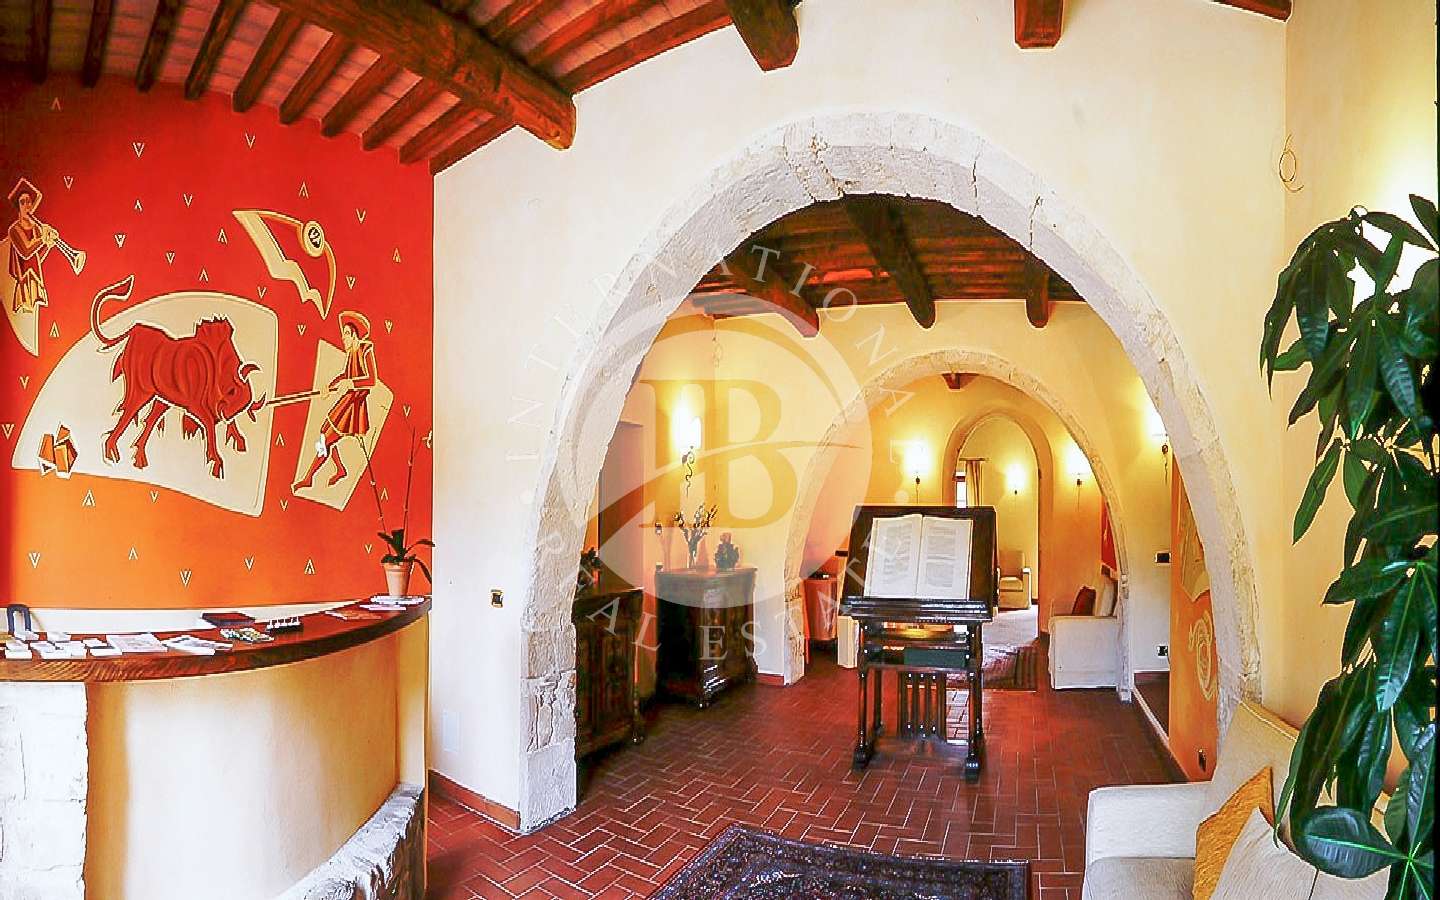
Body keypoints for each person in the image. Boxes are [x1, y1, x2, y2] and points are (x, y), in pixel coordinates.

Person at [294, 310, 379, 490]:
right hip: (348, 400)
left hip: (355, 404)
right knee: (323, 432)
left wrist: (351, 383)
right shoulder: (351, 354)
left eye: (346, 334)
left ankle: (309, 477)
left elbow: (372, 380)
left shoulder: (365, 350)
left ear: (355, 335)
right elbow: (345, 375)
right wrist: (329, 386)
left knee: (325, 439)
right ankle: (340, 469)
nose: (343, 338)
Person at [7, 178, 57, 313]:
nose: (27, 205)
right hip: (24, 281)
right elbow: (26, 251)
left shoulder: (35, 228)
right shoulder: (14, 230)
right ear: (18, 207)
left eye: (29, 201)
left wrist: (48, 245)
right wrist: (43, 239)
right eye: (22, 202)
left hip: (36, 280)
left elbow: (37, 258)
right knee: (26, 312)